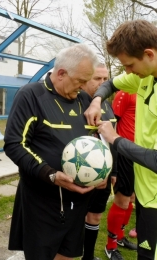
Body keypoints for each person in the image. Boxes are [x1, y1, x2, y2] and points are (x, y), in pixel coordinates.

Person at [4, 43, 101, 260]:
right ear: (61, 73)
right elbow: (14, 144)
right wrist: (51, 174)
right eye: (81, 81)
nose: (85, 86)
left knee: (68, 255)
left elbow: (91, 142)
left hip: (77, 203)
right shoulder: (30, 96)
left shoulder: (84, 100)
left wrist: (100, 171)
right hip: (42, 204)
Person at [84, 19, 157, 260]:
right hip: (146, 194)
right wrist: (96, 100)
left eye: (129, 65)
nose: (127, 72)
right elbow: (111, 84)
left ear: (149, 54)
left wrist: (114, 139)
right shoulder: (144, 77)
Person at [80, 63, 117, 260]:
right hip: (81, 173)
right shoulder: (76, 103)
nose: (102, 83)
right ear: (85, 79)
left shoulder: (107, 106)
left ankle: (88, 256)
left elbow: (113, 140)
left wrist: (114, 172)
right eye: (97, 79)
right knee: (76, 217)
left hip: (104, 172)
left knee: (95, 216)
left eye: (105, 79)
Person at [104, 91, 137, 260]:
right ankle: (110, 246)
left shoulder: (147, 90)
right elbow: (112, 125)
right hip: (125, 153)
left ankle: (121, 237)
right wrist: (114, 165)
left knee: (131, 198)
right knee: (122, 201)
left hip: (141, 154)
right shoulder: (126, 92)